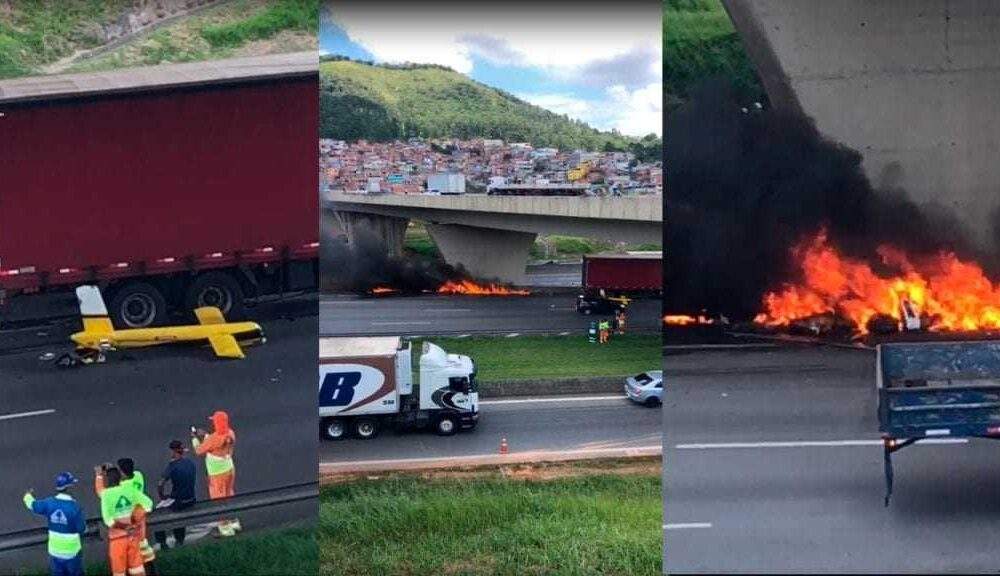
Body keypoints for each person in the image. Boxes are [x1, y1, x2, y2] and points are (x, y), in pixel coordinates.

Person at [22, 472, 86, 576]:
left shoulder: (49, 503)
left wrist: (27, 495)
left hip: (54, 551)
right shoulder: (74, 507)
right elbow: (82, 528)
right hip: (72, 553)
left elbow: (32, 505)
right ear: (69, 487)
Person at [96, 465, 152, 576]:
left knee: (119, 572)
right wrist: (135, 518)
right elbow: (148, 504)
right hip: (133, 537)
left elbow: (108, 521)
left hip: (117, 540)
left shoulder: (106, 495)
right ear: (120, 478)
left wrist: (98, 476)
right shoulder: (129, 490)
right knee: (138, 570)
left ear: (108, 481)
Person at [192, 410, 240, 536]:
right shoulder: (231, 433)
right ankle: (234, 521)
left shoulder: (214, 439)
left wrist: (195, 439)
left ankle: (225, 527)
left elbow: (199, 451)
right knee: (229, 493)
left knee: (218, 499)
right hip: (229, 467)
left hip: (217, 472)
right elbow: (218, 443)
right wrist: (206, 435)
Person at [154, 440, 197, 549]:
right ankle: (179, 540)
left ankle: (162, 543)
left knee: (157, 513)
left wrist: (162, 496)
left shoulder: (172, 466)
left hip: (179, 501)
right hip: (191, 498)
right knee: (178, 516)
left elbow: (160, 483)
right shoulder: (190, 463)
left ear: (173, 451)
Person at [116, 458, 157, 574]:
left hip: (130, 523)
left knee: (132, 556)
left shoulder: (122, 487)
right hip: (140, 519)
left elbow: (108, 491)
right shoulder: (139, 476)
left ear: (122, 472)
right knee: (145, 553)